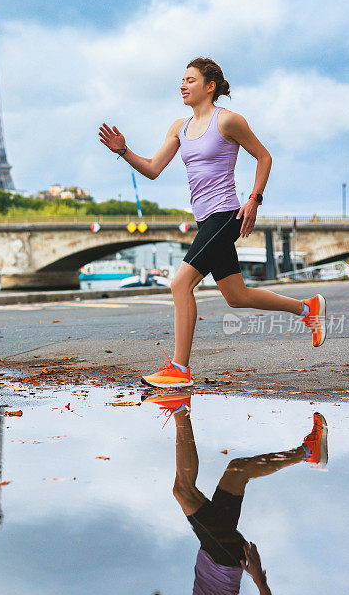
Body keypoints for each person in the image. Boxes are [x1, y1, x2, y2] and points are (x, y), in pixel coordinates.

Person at [99, 58, 326, 388]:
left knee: (180, 284)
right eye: (182, 79)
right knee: (236, 295)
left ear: (210, 86)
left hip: (225, 214)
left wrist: (254, 198)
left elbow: (264, 156)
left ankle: (179, 368)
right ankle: (307, 308)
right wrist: (123, 151)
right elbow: (152, 168)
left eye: (190, 80)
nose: (183, 85)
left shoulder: (229, 121)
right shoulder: (179, 127)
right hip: (205, 219)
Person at [104, 397, 328, 595]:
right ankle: (180, 408)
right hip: (226, 557)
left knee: (234, 472)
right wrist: (258, 579)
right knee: (183, 491)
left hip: (212, 549)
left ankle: (308, 452)